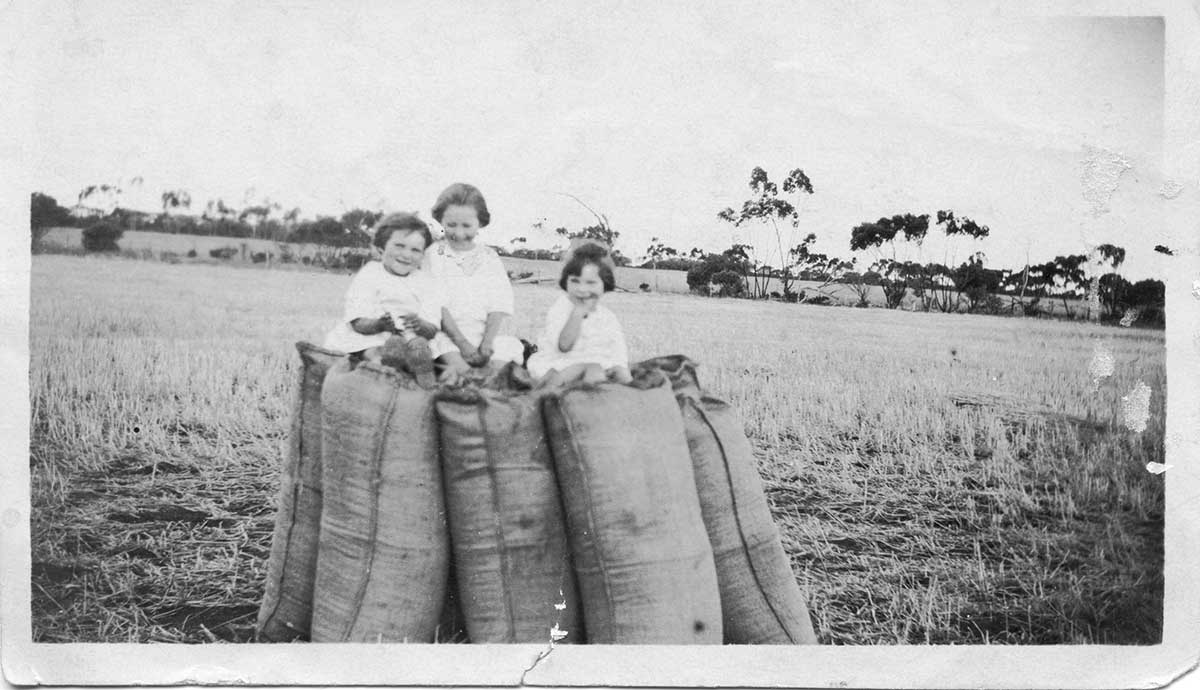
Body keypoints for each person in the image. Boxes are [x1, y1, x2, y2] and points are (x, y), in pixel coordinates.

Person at [322, 212, 451, 388]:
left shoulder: (425, 282)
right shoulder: (371, 273)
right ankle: (388, 371)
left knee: (426, 352)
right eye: (399, 246)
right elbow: (357, 321)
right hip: (372, 337)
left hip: (413, 342)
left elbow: (432, 328)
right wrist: (380, 325)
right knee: (374, 352)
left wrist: (421, 325)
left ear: (422, 256)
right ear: (381, 248)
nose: (406, 254)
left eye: (415, 250)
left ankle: (424, 380)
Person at [425, 183, 525, 379]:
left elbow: (498, 304)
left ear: (480, 223)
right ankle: (468, 376)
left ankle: (489, 378)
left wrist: (487, 343)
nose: (459, 233)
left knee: (508, 347)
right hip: (447, 336)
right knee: (439, 349)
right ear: (440, 220)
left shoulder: (489, 257)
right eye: (451, 225)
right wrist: (462, 344)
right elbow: (436, 306)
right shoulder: (434, 255)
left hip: (483, 336)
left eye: (467, 226)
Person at [526, 241, 632, 385]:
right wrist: (577, 313)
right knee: (592, 369)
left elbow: (619, 353)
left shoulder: (607, 316)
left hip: (598, 365)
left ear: (605, 285)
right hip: (557, 365)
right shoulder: (561, 308)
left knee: (620, 372)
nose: (581, 289)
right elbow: (563, 346)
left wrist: (618, 369)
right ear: (565, 282)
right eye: (575, 281)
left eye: (591, 283)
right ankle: (589, 399)